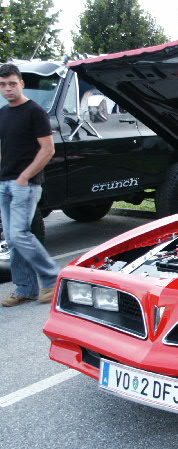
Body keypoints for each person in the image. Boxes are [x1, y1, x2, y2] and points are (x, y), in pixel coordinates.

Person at [0, 63, 59, 307]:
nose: (8, 88)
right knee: (12, 240)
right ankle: (25, 288)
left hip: (26, 184)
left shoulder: (35, 111)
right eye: (3, 84)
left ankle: (52, 279)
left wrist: (25, 177)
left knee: (19, 234)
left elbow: (48, 149)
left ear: (21, 84)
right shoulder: (3, 113)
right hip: (4, 183)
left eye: (12, 83)